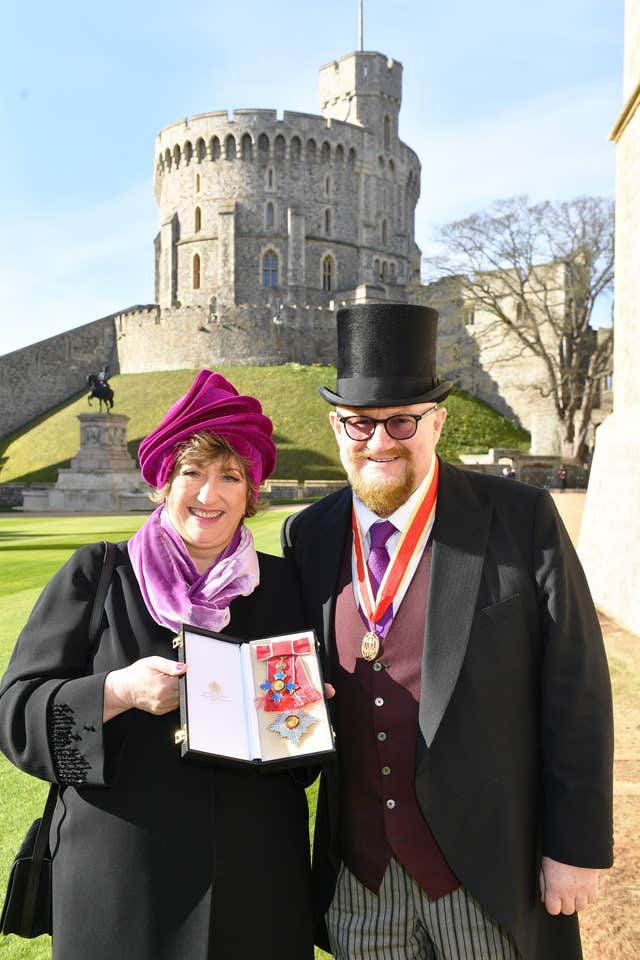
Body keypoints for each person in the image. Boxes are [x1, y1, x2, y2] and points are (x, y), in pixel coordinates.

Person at [281, 304, 613, 960]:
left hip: (487, 876)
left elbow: (576, 693)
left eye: (400, 421)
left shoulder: (521, 519)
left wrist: (573, 849)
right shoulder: (309, 535)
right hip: (361, 887)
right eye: (359, 424)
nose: (379, 442)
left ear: (437, 422)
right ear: (335, 427)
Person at [0, 370, 314, 960]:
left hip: (255, 890)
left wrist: (297, 716)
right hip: (120, 891)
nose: (209, 494)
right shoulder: (99, 575)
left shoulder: (282, 586)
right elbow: (16, 716)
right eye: (191, 472)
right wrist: (115, 692)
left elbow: (303, 753)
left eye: (230, 476)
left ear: (253, 492)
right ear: (163, 483)